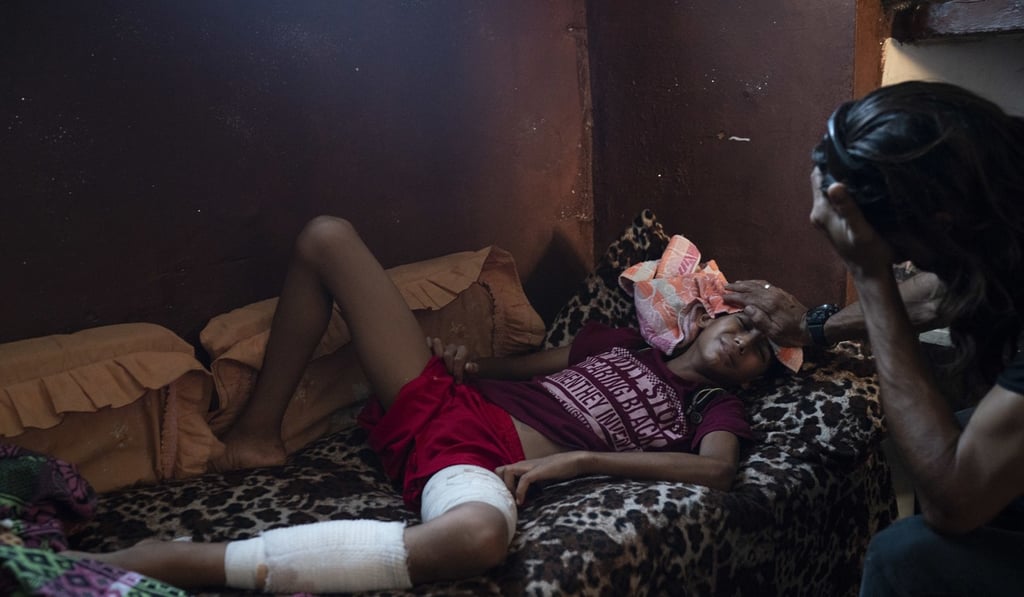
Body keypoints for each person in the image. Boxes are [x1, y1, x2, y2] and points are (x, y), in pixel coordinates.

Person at [70, 215, 779, 594]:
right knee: (327, 237)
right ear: (704, 316)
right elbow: (519, 364)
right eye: (738, 321)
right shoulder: (618, 340)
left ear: (750, 377)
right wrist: (465, 363)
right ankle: (258, 432)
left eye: (757, 347)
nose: (742, 339)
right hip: (445, 399)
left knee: (476, 541)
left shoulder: (712, 407)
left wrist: (578, 460)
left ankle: (190, 561)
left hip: (478, 459)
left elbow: (717, 472)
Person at [724, 80, 1024, 596]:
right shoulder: (1002, 190)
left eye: (902, 251)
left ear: (944, 220)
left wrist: (870, 272)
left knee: (905, 558)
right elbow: (940, 291)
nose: (909, 265)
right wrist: (813, 328)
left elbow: (954, 498)